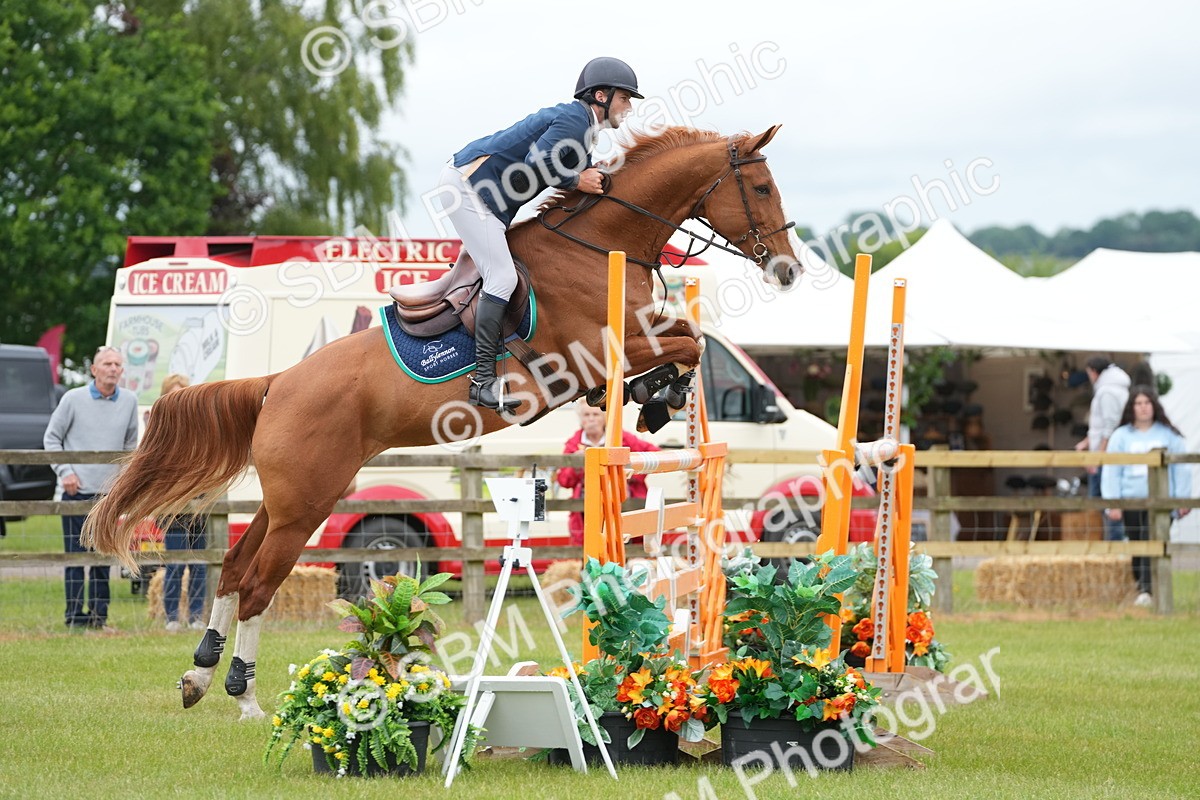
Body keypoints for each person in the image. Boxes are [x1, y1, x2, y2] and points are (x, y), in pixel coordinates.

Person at [437, 56, 642, 413]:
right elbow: (538, 162)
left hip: (483, 195)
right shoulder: (575, 120)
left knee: (503, 270)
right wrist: (577, 179)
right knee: (500, 276)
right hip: (467, 188)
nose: (628, 109)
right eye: (625, 99)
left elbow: (571, 168)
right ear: (600, 95)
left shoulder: (583, 129)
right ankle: (482, 381)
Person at [44, 345, 139, 630]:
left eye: (117, 365)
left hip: (108, 495)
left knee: (103, 556)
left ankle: (99, 619)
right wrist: (65, 472)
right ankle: (74, 618)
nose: (113, 369)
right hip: (76, 491)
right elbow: (51, 439)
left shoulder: (130, 401)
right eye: (107, 364)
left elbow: (130, 446)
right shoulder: (73, 399)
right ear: (94, 370)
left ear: (122, 371)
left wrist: (125, 482)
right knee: (75, 557)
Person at [1101, 386, 1192, 607]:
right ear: (1132, 408)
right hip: (1132, 500)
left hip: (1161, 502)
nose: (1143, 408)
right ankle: (1144, 589)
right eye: (1138, 403)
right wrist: (1112, 502)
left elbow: (1181, 469)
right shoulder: (1121, 437)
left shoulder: (1168, 435)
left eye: (1147, 403)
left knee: (1157, 544)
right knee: (1138, 544)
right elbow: (1112, 470)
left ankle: (1156, 590)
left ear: (1154, 405)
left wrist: (1182, 498)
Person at [556, 402, 659, 546]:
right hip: (588, 508)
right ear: (581, 419)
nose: (591, 419)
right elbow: (564, 481)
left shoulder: (623, 437)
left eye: (596, 414)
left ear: (604, 417)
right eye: (587, 415)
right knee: (593, 548)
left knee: (625, 544)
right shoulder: (573, 444)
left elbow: (653, 453)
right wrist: (577, 465)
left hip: (622, 503)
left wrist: (628, 472)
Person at [157, 374, 209, 632]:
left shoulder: (201, 430)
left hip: (199, 506)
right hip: (172, 508)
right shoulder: (161, 431)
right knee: (175, 563)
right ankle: (172, 618)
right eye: (174, 394)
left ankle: (197, 616)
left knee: (199, 562)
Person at [1074, 357, 1130, 541]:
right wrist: (1087, 442)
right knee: (1105, 501)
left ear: (1093, 371)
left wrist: (1099, 456)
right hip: (1106, 452)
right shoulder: (1115, 389)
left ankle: (1114, 543)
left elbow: (1109, 425)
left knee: (1106, 501)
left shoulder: (1107, 391)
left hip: (1106, 456)